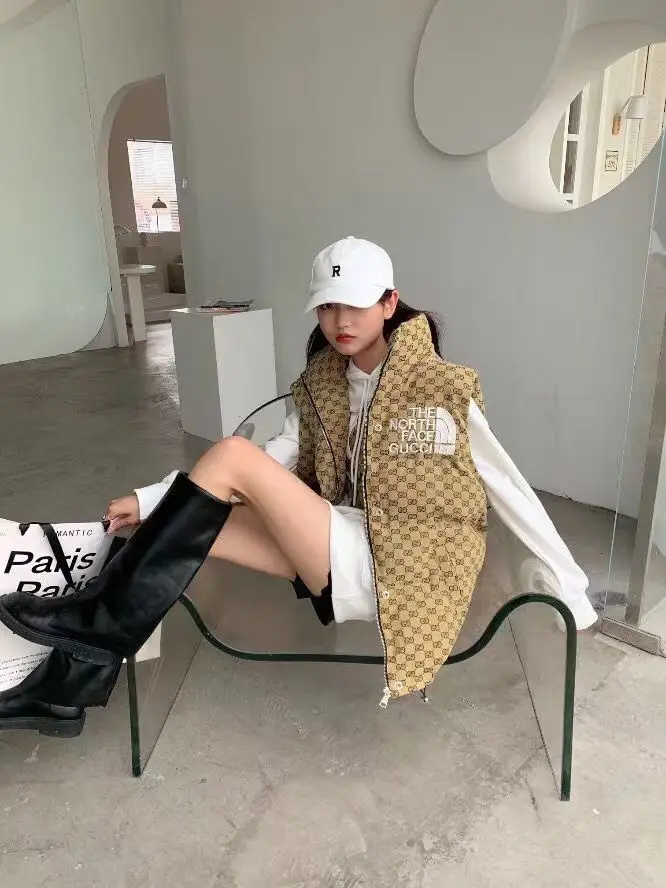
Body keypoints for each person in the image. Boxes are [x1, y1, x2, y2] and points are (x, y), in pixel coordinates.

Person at [0, 236, 597, 736]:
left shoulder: (442, 388)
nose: (341, 321)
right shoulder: (321, 386)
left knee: (229, 457)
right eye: (327, 306)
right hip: (343, 539)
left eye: (356, 305)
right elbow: (267, 463)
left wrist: (569, 594)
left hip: (399, 567)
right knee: (187, 526)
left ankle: (90, 620)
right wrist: (151, 500)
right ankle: (66, 689)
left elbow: (507, 485)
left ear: (389, 303)